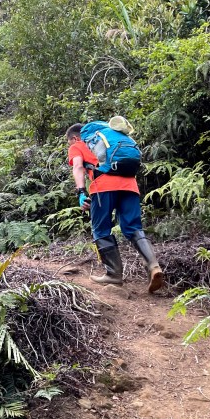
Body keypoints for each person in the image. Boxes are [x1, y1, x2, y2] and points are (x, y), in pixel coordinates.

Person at [66, 118, 164, 293]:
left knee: (101, 229)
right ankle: (153, 266)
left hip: (103, 187)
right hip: (130, 185)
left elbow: (78, 167)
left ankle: (114, 274)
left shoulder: (78, 145)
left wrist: (81, 192)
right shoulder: (111, 139)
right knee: (133, 227)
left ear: (75, 138)